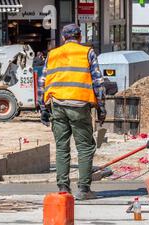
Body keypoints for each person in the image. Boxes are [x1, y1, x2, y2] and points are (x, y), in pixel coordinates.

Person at [38, 24, 106, 200]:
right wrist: (101, 108)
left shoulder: (52, 54)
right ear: (80, 36)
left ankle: (63, 188)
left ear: (63, 38)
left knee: (62, 147)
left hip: (57, 104)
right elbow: (98, 82)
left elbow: (43, 81)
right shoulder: (87, 52)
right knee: (85, 147)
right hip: (79, 104)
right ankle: (83, 190)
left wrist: (43, 107)